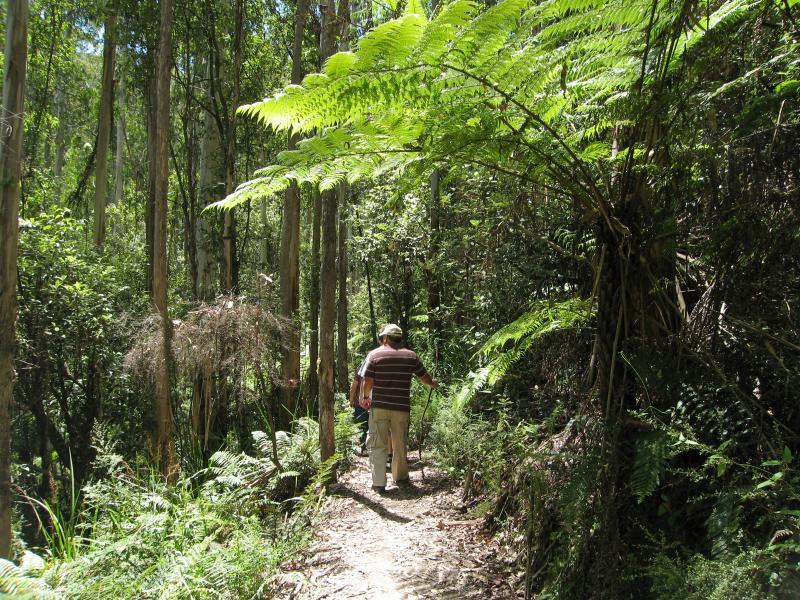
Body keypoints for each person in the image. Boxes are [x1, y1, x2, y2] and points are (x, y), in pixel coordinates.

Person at [361, 324, 437, 493]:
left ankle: (379, 483)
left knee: (377, 443)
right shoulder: (411, 356)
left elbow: (367, 381)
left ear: (386, 338)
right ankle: (401, 478)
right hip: (401, 408)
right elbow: (424, 378)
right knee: (400, 444)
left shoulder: (374, 355)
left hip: (379, 407)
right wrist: (433, 383)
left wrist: (365, 398)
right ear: (400, 338)